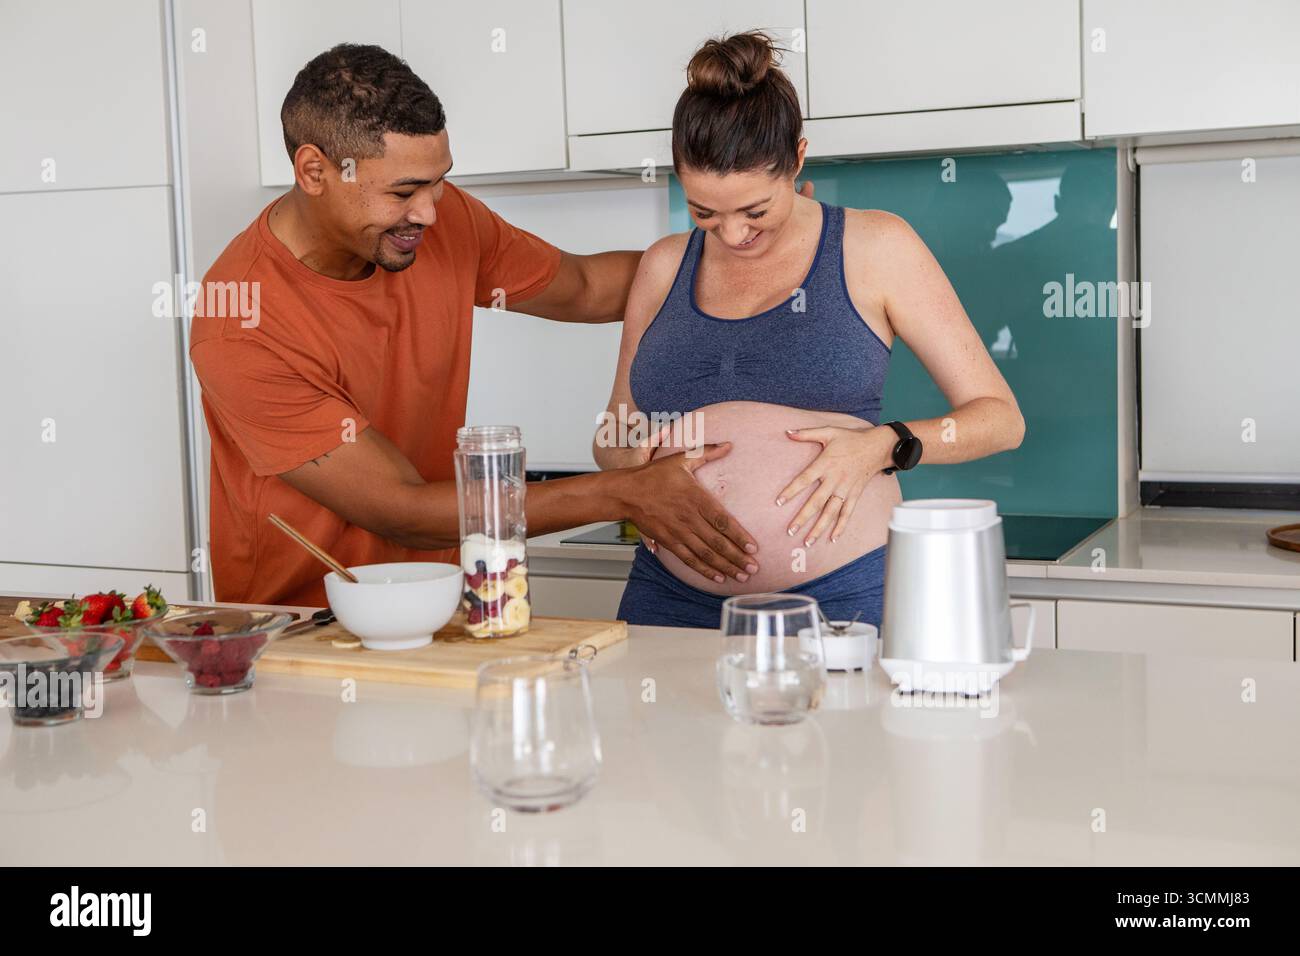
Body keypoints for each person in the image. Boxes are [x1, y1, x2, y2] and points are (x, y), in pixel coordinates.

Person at [190, 44, 761, 607]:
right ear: (315, 170)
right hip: (303, 629)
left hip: (439, 607)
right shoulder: (239, 321)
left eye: (438, 182)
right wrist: (623, 493)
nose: (430, 212)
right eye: (403, 192)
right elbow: (402, 509)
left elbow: (586, 287)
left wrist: (747, 253)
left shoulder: (439, 222)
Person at [594, 32, 1026, 628]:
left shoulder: (875, 246)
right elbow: (615, 426)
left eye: (755, 212)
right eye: (704, 213)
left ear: (797, 160)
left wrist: (887, 444)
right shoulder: (663, 264)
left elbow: (1000, 417)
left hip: (841, 596)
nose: (733, 236)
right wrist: (631, 459)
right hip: (669, 593)